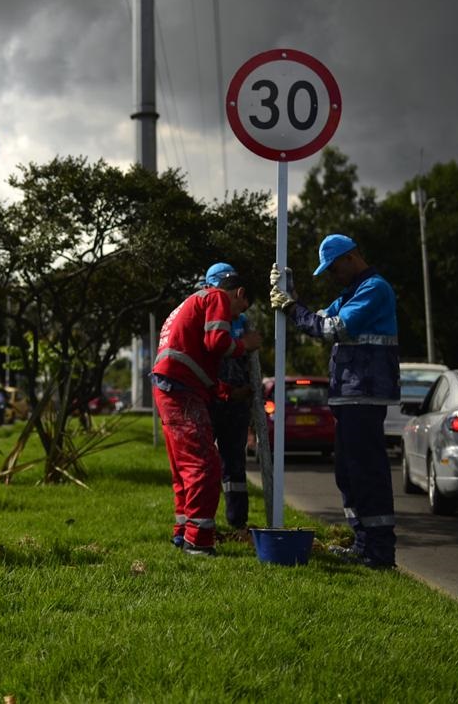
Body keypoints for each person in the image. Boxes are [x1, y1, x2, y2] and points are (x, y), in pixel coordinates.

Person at [270, 234, 401, 569]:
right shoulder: (350, 294)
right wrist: (293, 297)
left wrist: (291, 307)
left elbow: (332, 328)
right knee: (348, 473)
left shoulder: (374, 289)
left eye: (333, 268)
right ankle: (362, 543)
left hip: (364, 394)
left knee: (367, 474)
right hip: (350, 394)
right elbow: (318, 317)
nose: (332, 276)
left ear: (351, 258)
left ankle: (380, 552)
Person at [152, 268, 262, 556]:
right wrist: (245, 344)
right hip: (180, 391)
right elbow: (217, 344)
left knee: (183, 467)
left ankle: (182, 532)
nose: (235, 317)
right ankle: (198, 541)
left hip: (171, 388)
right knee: (204, 465)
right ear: (239, 294)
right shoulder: (217, 298)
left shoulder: (193, 302)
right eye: (241, 309)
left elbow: (198, 359)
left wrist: (226, 392)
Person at [201, 263, 253, 531]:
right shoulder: (203, 314)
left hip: (237, 403)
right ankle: (202, 523)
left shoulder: (242, 321)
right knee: (204, 462)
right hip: (210, 399)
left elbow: (250, 362)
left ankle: (237, 522)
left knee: (235, 464)